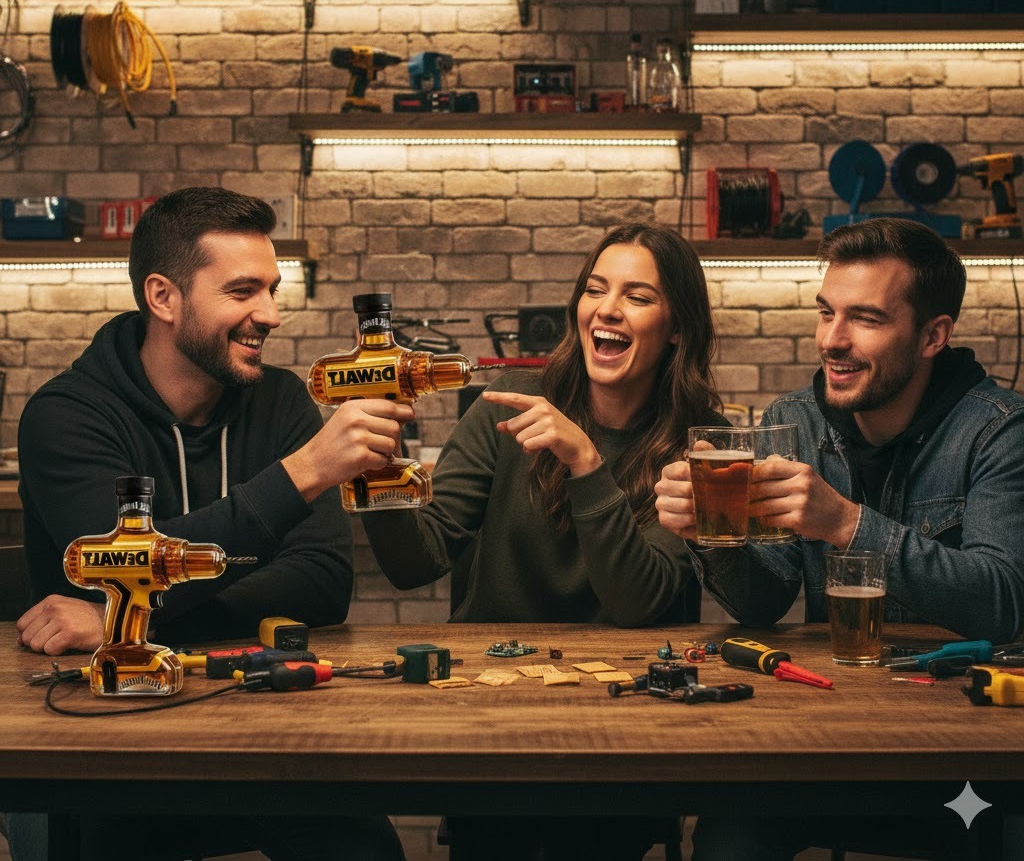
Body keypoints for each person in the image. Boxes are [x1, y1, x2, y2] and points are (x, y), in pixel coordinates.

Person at [11, 186, 408, 861]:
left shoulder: (279, 400)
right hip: (109, 740)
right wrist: (299, 476)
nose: (271, 315)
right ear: (164, 298)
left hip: (271, 731)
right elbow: (122, 580)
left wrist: (137, 620)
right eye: (243, 291)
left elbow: (322, 582)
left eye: (272, 290)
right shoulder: (67, 417)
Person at [655, 217, 1024, 861]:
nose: (833, 340)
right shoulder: (791, 421)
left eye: (866, 319)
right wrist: (713, 536)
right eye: (826, 313)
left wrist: (847, 524)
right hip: (826, 734)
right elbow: (765, 603)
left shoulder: (998, 430)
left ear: (934, 335)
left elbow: (1002, 604)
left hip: (961, 750)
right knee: (726, 836)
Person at [365, 221, 725, 860]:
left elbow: (640, 603)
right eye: (595, 289)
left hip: (628, 721)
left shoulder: (703, 445)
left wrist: (587, 465)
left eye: (638, 297)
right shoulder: (505, 407)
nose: (607, 309)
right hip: (491, 715)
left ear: (676, 328)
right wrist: (378, 472)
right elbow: (414, 563)